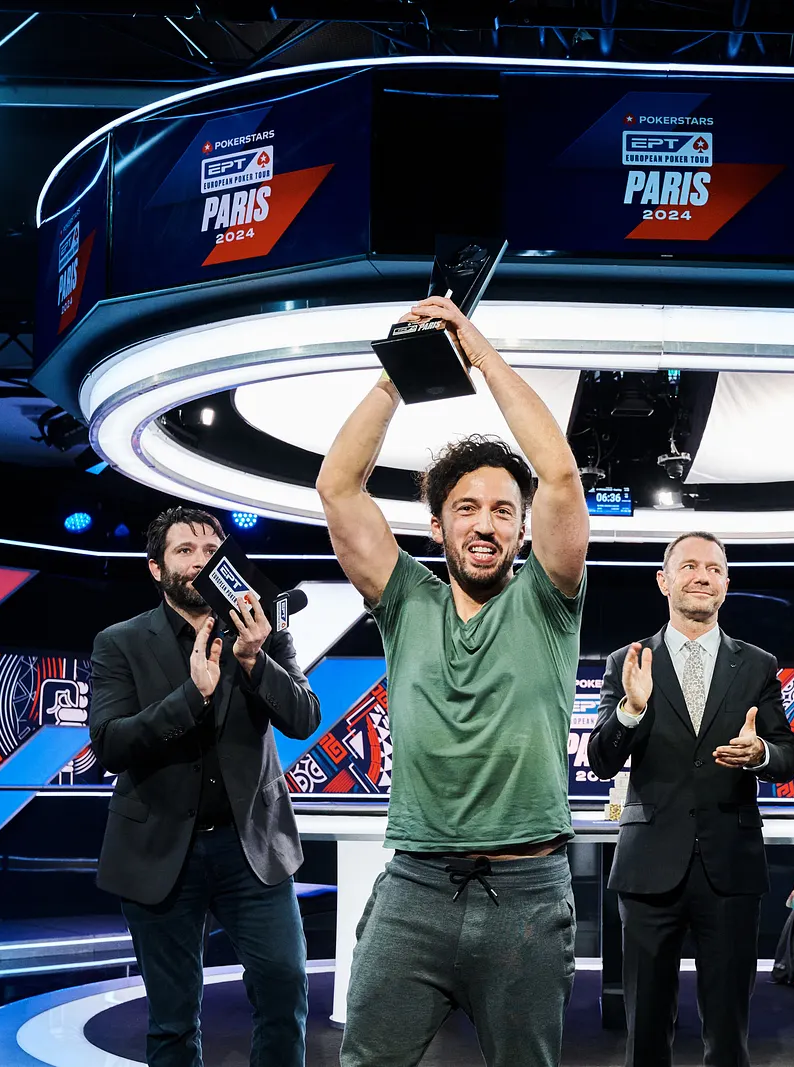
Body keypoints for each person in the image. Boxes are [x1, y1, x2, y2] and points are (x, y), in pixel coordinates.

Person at [316, 295, 590, 1067]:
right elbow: (339, 487)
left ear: (523, 528)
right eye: (466, 507)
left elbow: (560, 473)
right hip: (415, 889)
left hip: (528, 896)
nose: (486, 523)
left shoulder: (548, 599)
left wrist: (477, 352)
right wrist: (403, 370)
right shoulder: (405, 598)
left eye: (504, 509)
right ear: (436, 525)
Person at [88, 506, 322, 1067]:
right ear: (156, 568)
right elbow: (110, 744)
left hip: (252, 849)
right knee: (172, 1020)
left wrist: (254, 659)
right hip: (160, 851)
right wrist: (191, 697)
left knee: (284, 990)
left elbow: (303, 718)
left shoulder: (261, 630)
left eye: (210, 551)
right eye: (184, 550)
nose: (199, 561)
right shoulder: (120, 642)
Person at [589, 531, 794, 1067]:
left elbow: (786, 755)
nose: (702, 576)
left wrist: (760, 754)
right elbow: (601, 760)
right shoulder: (628, 660)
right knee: (645, 1032)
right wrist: (632, 711)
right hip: (649, 866)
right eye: (689, 566)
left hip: (731, 864)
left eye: (713, 568)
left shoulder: (758, 664)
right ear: (664, 581)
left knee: (728, 1034)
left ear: (726, 583)